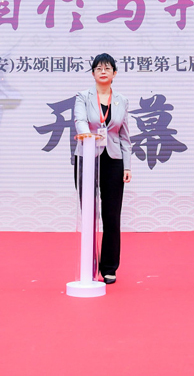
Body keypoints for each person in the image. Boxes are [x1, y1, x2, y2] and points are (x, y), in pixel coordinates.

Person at [73, 53, 132, 284]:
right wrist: (86, 135)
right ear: (93, 73)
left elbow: (125, 136)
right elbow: (79, 120)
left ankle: (109, 267)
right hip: (87, 156)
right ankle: (89, 264)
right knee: (88, 212)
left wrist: (127, 166)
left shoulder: (122, 100)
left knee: (111, 215)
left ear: (115, 73)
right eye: (98, 68)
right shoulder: (83, 96)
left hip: (114, 159)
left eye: (108, 68)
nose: (103, 71)